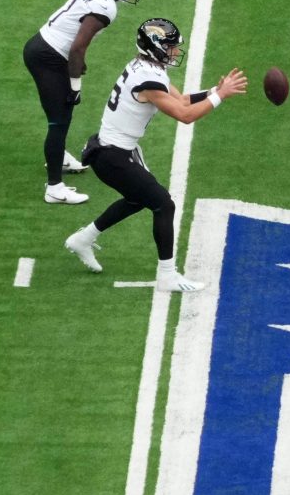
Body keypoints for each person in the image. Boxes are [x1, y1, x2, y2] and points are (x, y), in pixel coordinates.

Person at [60, 18, 245, 292]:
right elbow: (185, 115)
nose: (174, 52)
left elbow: (181, 100)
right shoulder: (147, 79)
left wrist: (216, 91)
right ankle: (167, 275)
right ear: (156, 47)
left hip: (116, 150)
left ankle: (83, 239)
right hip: (113, 157)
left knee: (138, 199)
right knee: (163, 204)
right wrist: (220, 97)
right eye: (170, 47)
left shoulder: (147, 68)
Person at [21, 0, 142, 204]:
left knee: (60, 115)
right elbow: (77, 47)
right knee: (59, 120)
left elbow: (74, 35)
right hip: (49, 57)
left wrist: (75, 63)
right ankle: (54, 188)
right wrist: (75, 85)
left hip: (44, 46)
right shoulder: (106, 6)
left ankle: (58, 156)